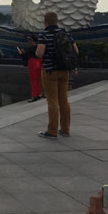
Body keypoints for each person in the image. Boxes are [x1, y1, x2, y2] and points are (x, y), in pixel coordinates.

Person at [36, 11, 79, 139]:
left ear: (45, 22)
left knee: (52, 101)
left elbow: (40, 54)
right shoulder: (65, 33)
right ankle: (65, 129)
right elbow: (76, 51)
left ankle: (52, 131)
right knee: (64, 100)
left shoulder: (44, 34)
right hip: (64, 70)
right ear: (57, 20)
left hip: (49, 71)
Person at [19, 34, 43, 102]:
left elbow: (25, 56)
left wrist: (21, 53)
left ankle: (35, 96)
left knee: (33, 80)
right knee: (38, 80)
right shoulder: (38, 47)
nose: (28, 42)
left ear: (32, 40)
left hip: (33, 64)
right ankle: (39, 94)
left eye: (29, 40)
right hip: (39, 63)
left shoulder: (31, 48)